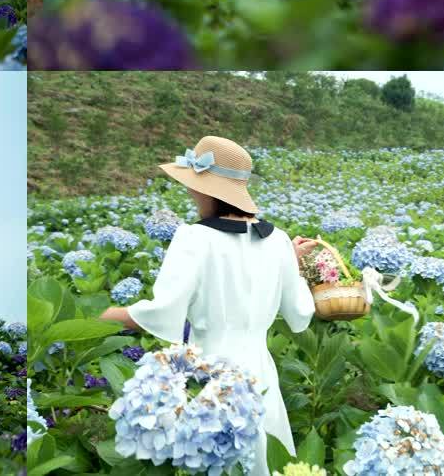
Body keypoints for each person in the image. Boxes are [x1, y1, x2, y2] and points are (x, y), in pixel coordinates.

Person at [98, 136, 319, 476]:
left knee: (213, 459)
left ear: (207, 191)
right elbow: (299, 314)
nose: (190, 193)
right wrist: (291, 261)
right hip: (262, 374)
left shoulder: (193, 238)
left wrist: (101, 317)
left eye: (193, 186)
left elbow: (162, 312)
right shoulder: (277, 241)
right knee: (264, 460)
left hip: (210, 374)